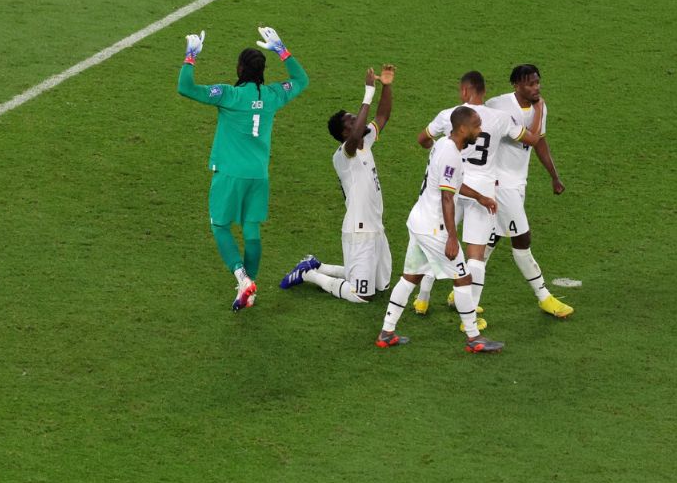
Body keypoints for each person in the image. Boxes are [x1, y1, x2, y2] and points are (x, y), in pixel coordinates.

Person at [177, 27, 308, 311]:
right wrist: (282, 50)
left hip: (229, 174)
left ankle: (241, 276)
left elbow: (185, 87)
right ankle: (248, 289)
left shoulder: (228, 95)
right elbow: (301, 80)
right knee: (251, 230)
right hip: (258, 175)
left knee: (220, 225)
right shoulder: (274, 95)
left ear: (239, 68)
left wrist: (190, 56)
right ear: (262, 70)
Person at [411, 71, 542, 326]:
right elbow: (532, 139)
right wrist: (538, 111)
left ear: (463, 91)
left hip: (453, 186)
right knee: (475, 255)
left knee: (438, 241)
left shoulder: (448, 114)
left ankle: (422, 298)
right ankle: (467, 319)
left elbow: (423, 140)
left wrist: (436, 147)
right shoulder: (500, 118)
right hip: (482, 191)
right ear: (483, 90)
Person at [376, 107, 504, 353]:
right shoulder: (452, 156)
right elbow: (447, 198)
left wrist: (479, 197)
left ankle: (386, 332)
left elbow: (451, 185)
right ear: (463, 128)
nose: (480, 130)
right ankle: (474, 338)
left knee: (410, 276)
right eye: (477, 125)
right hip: (434, 228)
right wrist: (452, 238)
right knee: (463, 277)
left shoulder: (444, 145)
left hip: (419, 221)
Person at [279, 65, 395, 302]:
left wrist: (387, 86)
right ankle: (310, 274)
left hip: (376, 227)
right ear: (344, 134)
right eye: (353, 120)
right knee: (362, 295)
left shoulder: (365, 141)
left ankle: (318, 265)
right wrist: (368, 92)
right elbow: (354, 138)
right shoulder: (344, 154)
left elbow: (382, 116)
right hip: (358, 230)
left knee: (381, 286)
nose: (360, 121)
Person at [484, 64, 573, 318]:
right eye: (530, 84)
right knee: (521, 238)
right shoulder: (500, 106)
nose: (536, 88)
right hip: (500, 184)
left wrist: (554, 176)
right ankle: (543, 296)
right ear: (516, 85)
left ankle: (460, 291)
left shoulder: (538, 107)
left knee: (493, 235)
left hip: (517, 181)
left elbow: (540, 142)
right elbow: (530, 137)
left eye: (537, 82)